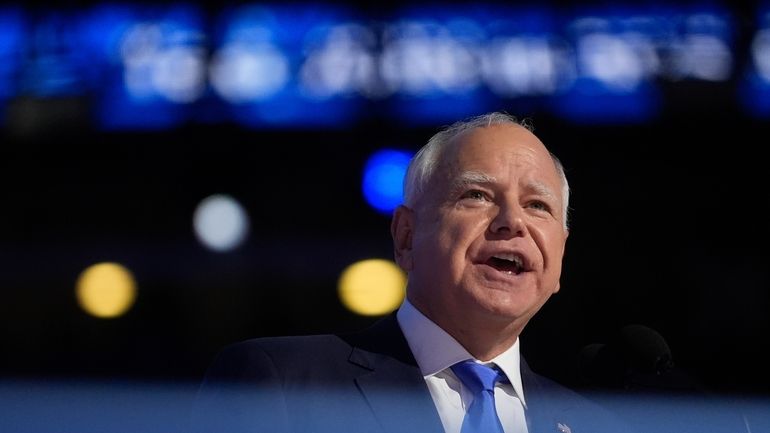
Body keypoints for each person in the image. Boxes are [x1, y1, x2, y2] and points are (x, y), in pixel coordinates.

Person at [192, 112, 630, 433]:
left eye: (538, 205)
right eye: (477, 195)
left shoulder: (599, 426)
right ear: (405, 236)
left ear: (560, 258)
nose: (513, 222)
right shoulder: (282, 382)